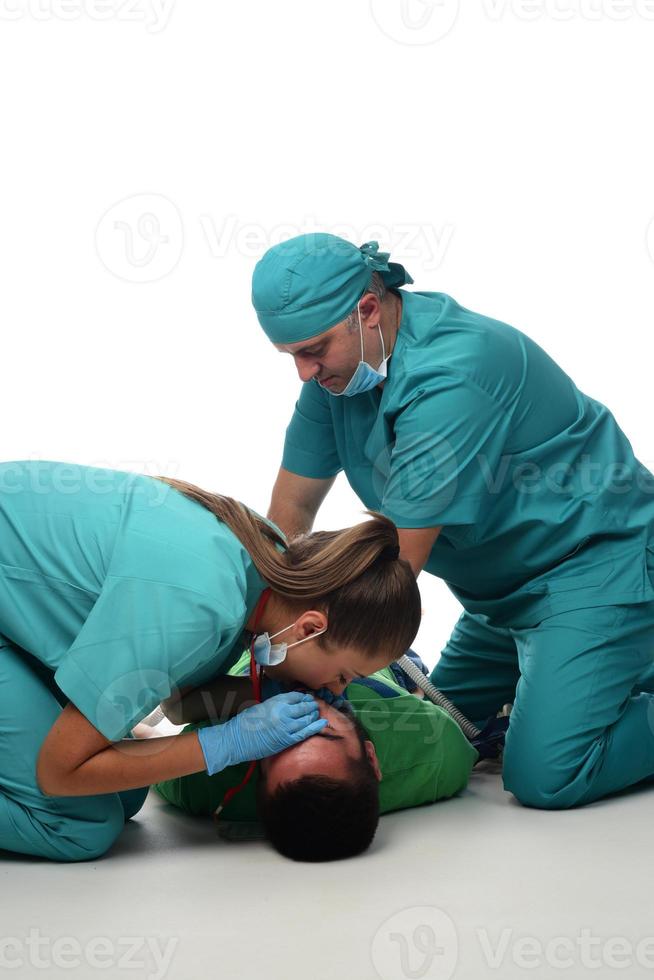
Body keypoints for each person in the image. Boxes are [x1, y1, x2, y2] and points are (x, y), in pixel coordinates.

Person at [251, 232, 654, 811]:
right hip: (500, 600)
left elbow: (394, 572)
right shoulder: (338, 378)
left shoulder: (454, 375)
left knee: (544, 773)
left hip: (594, 571)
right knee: (445, 729)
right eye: (291, 355)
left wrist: (299, 650)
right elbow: (289, 514)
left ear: (366, 310)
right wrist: (256, 628)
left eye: (312, 350)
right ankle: (599, 674)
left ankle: (609, 661)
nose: (303, 372)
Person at [0, 459, 421, 861]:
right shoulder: (198, 605)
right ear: (310, 629)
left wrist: (255, 697)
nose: (336, 690)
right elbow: (59, 770)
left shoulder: (265, 564)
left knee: (123, 792)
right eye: (345, 675)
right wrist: (230, 741)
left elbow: (176, 702)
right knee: (80, 825)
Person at [153, 651, 478, 861]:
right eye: (323, 730)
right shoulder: (434, 750)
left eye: (275, 742)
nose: (296, 713)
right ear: (372, 757)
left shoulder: (207, 783)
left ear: (255, 770)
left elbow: (150, 747)